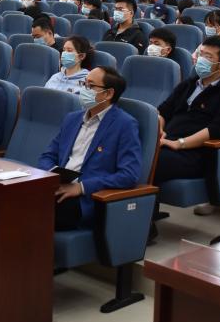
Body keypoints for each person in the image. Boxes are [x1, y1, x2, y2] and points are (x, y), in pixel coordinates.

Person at [37, 66, 142, 230]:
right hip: (57, 186)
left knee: (32, 213)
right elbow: (47, 156)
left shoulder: (125, 125)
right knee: (12, 198)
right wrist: (51, 176)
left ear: (108, 93)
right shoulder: (72, 119)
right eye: (83, 83)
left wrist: (82, 187)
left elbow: (129, 175)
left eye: (90, 86)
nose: (83, 89)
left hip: (86, 198)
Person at [152, 37, 220, 215]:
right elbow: (163, 111)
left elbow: (219, 129)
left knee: (150, 160)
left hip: (195, 153)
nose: (200, 60)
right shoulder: (189, 83)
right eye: (201, 54)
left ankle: (143, 220)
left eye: (208, 57)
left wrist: (179, 143)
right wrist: (159, 130)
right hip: (167, 142)